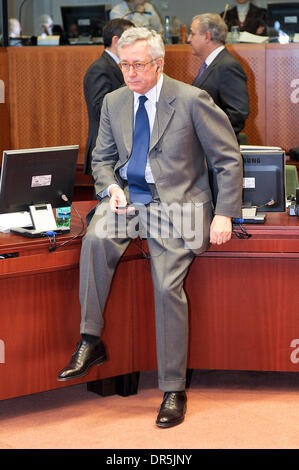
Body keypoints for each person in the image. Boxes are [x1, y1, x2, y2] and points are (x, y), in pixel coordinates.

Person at [57, 27, 243, 428]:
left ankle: (173, 388)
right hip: (128, 199)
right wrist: (110, 187)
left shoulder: (193, 100)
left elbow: (228, 160)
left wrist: (225, 212)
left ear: (159, 63)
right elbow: (101, 158)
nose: (129, 72)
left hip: (175, 206)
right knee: (95, 239)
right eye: (124, 64)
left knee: (166, 287)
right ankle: (90, 340)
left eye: (138, 64)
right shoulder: (114, 102)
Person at [83, 18, 134, 175]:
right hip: (106, 149)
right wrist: (131, 83)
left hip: (119, 147)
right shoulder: (99, 68)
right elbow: (99, 109)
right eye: (131, 38)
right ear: (116, 40)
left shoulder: (116, 66)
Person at [188, 13, 249, 138]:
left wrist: (210, 138)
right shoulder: (213, 64)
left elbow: (237, 114)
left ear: (207, 36)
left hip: (218, 151)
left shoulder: (228, 66)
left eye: (192, 34)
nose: (188, 39)